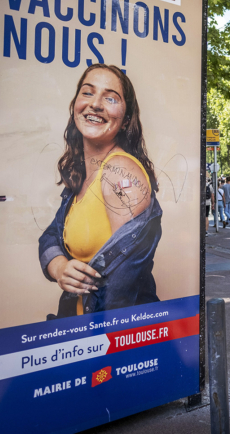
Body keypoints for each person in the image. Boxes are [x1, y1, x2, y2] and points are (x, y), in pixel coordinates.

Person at [38, 64, 161, 318]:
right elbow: (50, 236)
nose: (95, 104)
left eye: (110, 98)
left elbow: (120, 284)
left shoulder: (118, 170)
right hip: (85, 330)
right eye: (87, 93)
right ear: (75, 106)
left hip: (115, 335)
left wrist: (94, 344)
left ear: (126, 120)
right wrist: (60, 267)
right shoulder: (83, 175)